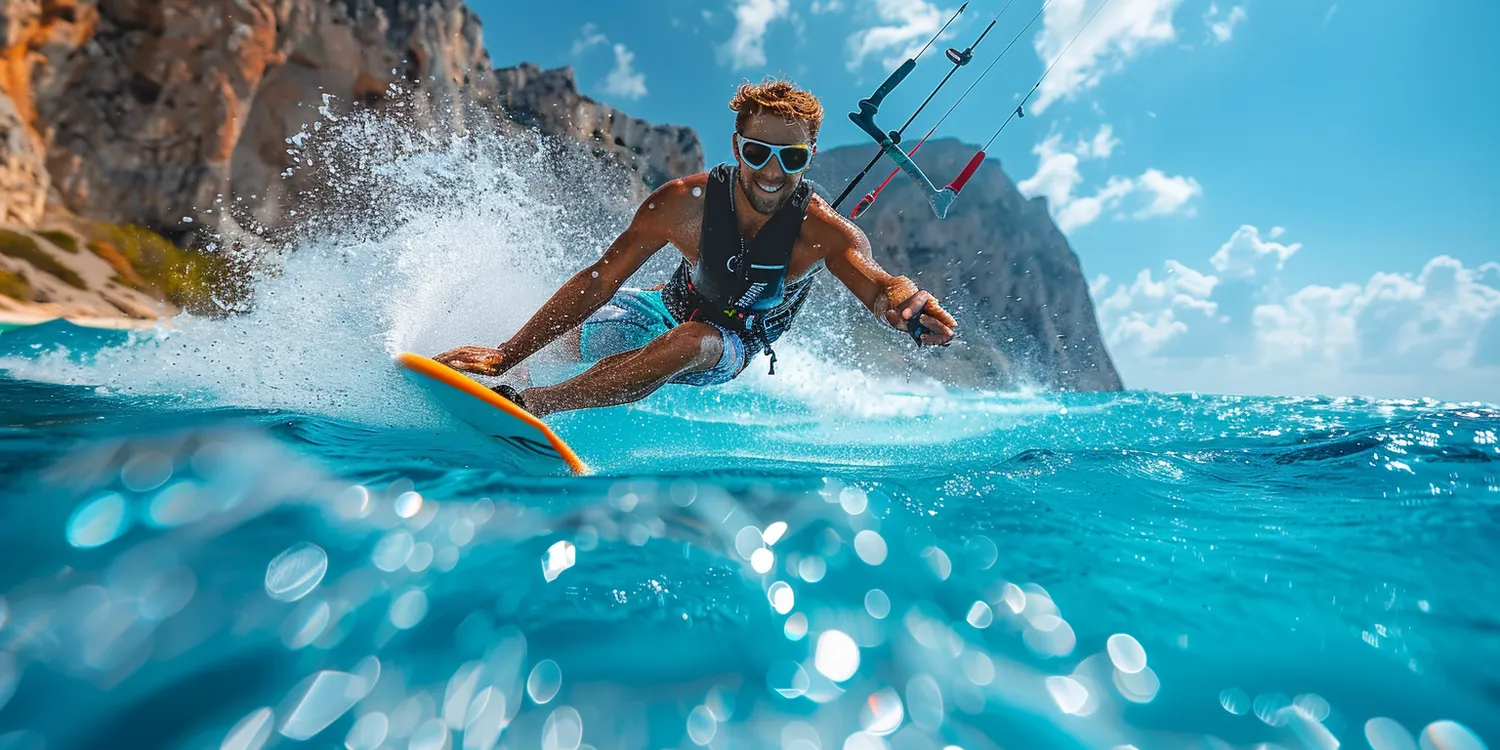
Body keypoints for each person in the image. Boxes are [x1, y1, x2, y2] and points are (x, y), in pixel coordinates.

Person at [434, 79, 957, 417]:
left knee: (690, 342)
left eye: (791, 157)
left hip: (728, 345)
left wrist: (905, 304)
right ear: (737, 147)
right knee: (567, 340)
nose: (772, 172)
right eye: (758, 151)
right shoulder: (683, 203)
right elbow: (602, 278)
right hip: (662, 304)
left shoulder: (824, 233)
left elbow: (878, 283)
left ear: (809, 156)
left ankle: (531, 405)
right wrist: (507, 352)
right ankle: (506, 379)